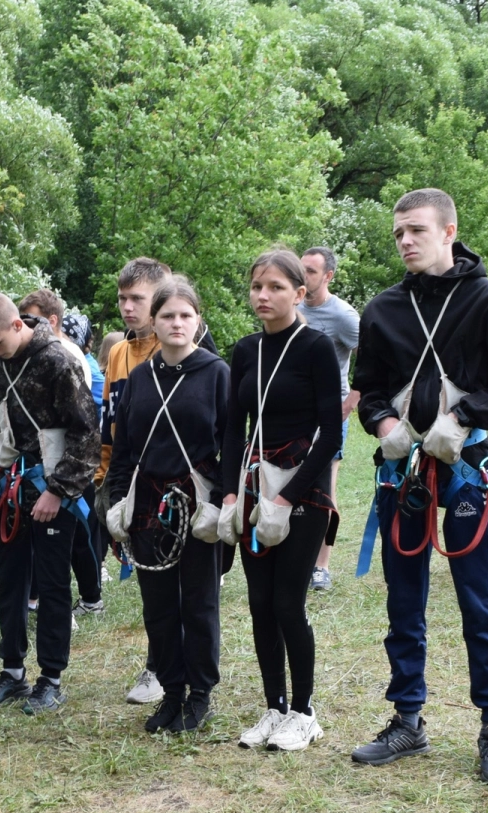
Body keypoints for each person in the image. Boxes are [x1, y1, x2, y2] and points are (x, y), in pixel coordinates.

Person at [349, 189, 488, 785]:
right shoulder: (383, 309)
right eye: (397, 234)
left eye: (415, 230)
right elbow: (371, 389)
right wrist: (384, 424)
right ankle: (407, 719)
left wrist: (463, 418)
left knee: (479, 597)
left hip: (466, 471)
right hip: (403, 474)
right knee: (402, 597)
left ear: (449, 230)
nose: (405, 241)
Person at [218, 250, 344, 752]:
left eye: (274, 286)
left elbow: (331, 434)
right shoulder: (245, 350)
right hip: (253, 489)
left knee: (289, 603)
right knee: (260, 604)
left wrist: (288, 497)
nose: (263, 295)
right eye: (256, 287)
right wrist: (231, 492)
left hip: (303, 490)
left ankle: (304, 712)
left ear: (299, 292)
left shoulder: (316, 348)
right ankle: (274, 707)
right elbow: (233, 428)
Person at [0, 292, 100, 714]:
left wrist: (57, 491)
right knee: (11, 577)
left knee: (53, 581)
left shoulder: (59, 361)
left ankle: (51, 679)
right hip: (9, 480)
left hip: (54, 481)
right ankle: (13, 673)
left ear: (18, 326)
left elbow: (86, 433)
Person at [106, 276, 227, 732]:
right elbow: (124, 450)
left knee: (198, 603)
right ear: (153, 323)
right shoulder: (139, 377)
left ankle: (199, 694)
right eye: (168, 316)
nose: (177, 323)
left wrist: (221, 502)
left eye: (185, 315)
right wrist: (117, 505)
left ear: (198, 320)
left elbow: (232, 446)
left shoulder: (217, 373)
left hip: (197, 504)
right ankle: (171, 691)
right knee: (158, 605)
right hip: (148, 507)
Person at [17, 287, 106, 620]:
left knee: (77, 533)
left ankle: (85, 598)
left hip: (70, 461)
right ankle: (47, 596)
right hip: (42, 462)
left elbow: (78, 421)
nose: (23, 325)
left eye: (31, 318)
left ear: (51, 319)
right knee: (61, 534)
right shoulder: (32, 353)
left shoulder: (65, 355)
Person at [298, 245, 360, 592]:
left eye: (310, 270)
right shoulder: (291, 305)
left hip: (330, 414)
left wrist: (348, 405)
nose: (303, 276)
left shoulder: (344, 316)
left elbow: (374, 358)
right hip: (295, 415)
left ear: (328, 276)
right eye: (300, 269)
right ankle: (295, 558)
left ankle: (321, 567)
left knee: (324, 488)